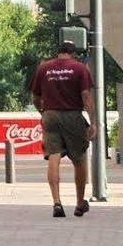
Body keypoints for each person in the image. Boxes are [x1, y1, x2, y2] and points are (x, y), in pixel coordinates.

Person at [31, 40, 95, 218]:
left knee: (53, 156)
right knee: (80, 158)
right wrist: (93, 121)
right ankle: (80, 202)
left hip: (50, 115)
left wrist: (43, 112)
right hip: (72, 115)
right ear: (73, 53)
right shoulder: (80, 68)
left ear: (58, 52)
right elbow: (86, 95)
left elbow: (35, 97)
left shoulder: (44, 68)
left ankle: (57, 203)